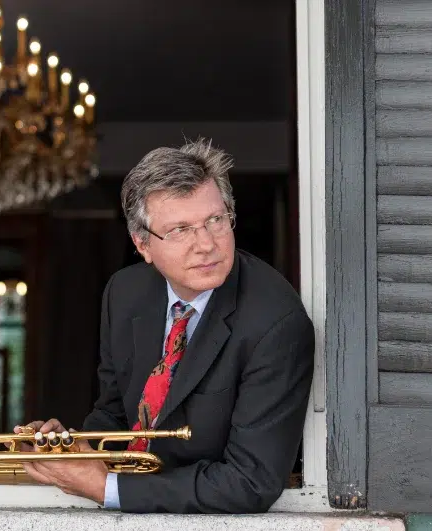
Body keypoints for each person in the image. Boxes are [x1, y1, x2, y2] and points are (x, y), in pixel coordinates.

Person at [16, 138, 315, 513]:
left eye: (215, 220)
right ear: (142, 244)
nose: (206, 244)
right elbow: (116, 414)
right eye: (180, 230)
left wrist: (105, 488)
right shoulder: (124, 293)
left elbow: (250, 482)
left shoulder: (277, 323)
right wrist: (78, 448)